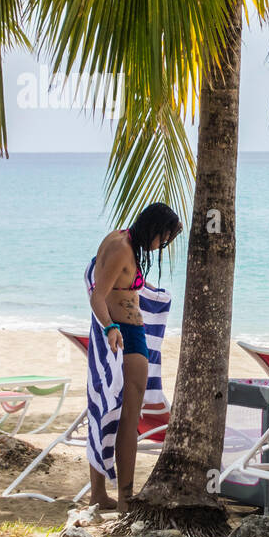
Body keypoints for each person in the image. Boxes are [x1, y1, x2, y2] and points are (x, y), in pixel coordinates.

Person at [86, 203, 182, 511]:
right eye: (163, 239)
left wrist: (145, 288)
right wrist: (112, 328)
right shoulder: (123, 251)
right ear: (154, 228)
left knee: (105, 413)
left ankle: (99, 495)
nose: (162, 246)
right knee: (130, 418)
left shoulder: (118, 239)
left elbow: (103, 279)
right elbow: (97, 296)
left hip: (120, 332)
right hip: (127, 335)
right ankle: (127, 499)